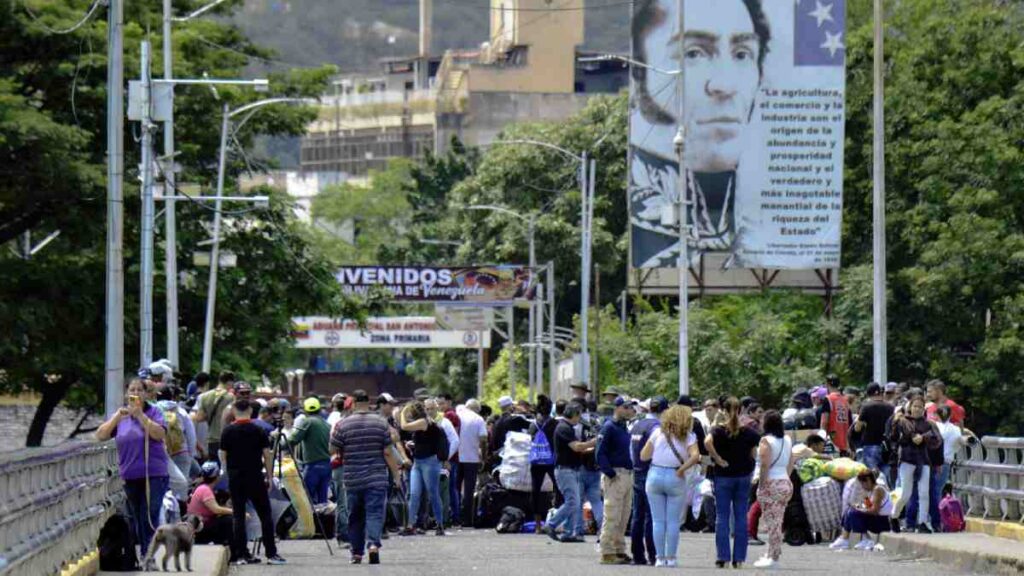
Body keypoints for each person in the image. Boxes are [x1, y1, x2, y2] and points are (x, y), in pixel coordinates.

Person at [629, 0, 771, 265]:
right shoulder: (642, 212)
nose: (724, 85)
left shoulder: (777, 221)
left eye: (742, 54)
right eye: (693, 54)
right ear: (640, 73)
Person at [96, 378, 169, 559]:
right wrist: (117, 417)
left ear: (145, 394)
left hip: (153, 473)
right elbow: (101, 435)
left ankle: (147, 553)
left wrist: (141, 417)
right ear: (127, 393)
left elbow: (159, 434)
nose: (135, 393)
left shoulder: (154, 412)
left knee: (149, 514)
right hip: (130, 474)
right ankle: (141, 552)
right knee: (135, 516)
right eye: (132, 390)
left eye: (139, 390)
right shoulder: (122, 416)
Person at [330, 390, 401, 565]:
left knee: (355, 516)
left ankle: (356, 553)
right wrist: (396, 475)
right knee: (375, 513)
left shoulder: (343, 424)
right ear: (369, 403)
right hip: (376, 477)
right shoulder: (380, 423)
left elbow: (331, 450)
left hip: (352, 478)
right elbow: (387, 452)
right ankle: (373, 546)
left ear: (353, 403)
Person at [218, 398, 285, 566]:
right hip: (255, 475)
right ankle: (271, 553)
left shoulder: (227, 431)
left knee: (238, 516)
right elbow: (267, 455)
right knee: (265, 514)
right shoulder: (259, 430)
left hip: (235, 477)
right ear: (249, 411)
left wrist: (227, 471)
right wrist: (269, 477)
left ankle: (241, 554)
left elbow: (223, 455)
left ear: (234, 411)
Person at [640, 405, 700, 567]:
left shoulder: (657, 433)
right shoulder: (689, 436)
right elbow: (696, 457)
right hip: (676, 476)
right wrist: (682, 468)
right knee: (673, 521)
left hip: (655, 475)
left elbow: (644, 456)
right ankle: (671, 558)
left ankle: (659, 558)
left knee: (658, 520)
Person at [705, 396, 761, 569]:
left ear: (723, 410)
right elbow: (754, 454)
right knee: (740, 517)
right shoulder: (750, 432)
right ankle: (739, 558)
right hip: (743, 476)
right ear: (741, 411)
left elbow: (707, 442)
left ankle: (723, 557)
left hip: (723, 476)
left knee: (722, 517)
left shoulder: (718, 430)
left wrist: (718, 458)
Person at [546, 403, 595, 543]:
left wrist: (590, 448)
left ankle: (568, 532)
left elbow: (577, 449)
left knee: (575, 501)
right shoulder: (564, 428)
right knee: (573, 501)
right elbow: (577, 446)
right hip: (565, 470)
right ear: (574, 415)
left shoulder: (567, 428)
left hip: (571, 469)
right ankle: (551, 524)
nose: (580, 419)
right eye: (579, 415)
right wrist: (594, 442)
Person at [890, 395, 940, 533]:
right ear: (910, 407)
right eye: (915, 406)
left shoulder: (929, 424)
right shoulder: (902, 421)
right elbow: (893, 437)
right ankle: (894, 516)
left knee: (924, 493)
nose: (917, 409)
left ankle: (922, 522)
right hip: (907, 459)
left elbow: (936, 440)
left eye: (920, 407)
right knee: (905, 493)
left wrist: (923, 438)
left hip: (923, 460)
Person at [595, 397, 636, 565]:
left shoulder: (623, 427)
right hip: (615, 475)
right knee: (612, 515)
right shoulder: (608, 427)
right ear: (617, 408)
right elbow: (600, 453)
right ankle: (606, 551)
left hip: (627, 474)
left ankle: (619, 549)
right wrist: (610, 473)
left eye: (630, 408)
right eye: (626, 407)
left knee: (624, 516)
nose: (629, 411)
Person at [400, 400, 448, 536]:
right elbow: (424, 440)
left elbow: (404, 426)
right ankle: (410, 525)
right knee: (414, 494)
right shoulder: (424, 423)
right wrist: (413, 445)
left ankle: (440, 523)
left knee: (433, 493)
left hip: (430, 462)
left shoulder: (424, 422)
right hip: (418, 461)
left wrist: (403, 411)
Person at [752, 411, 793, 569]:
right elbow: (791, 461)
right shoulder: (788, 439)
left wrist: (761, 485)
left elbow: (764, 465)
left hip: (771, 482)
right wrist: (786, 478)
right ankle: (772, 553)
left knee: (772, 522)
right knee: (777, 520)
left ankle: (773, 557)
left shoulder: (765, 441)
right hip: (785, 481)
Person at [629, 396, 667, 565]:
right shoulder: (656, 427)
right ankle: (653, 554)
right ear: (664, 411)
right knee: (652, 516)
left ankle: (637, 554)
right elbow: (656, 451)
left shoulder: (637, 425)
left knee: (637, 514)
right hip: (650, 472)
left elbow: (631, 451)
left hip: (637, 471)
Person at [285, 396, 332, 505]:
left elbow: (293, 439)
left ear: (305, 410)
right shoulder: (326, 424)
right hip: (327, 465)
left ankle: (310, 521)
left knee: (306, 498)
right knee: (322, 500)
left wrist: (279, 442)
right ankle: (322, 520)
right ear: (319, 409)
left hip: (313, 465)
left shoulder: (307, 422)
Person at [830, 469, 893, 550]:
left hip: (882, 522)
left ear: (869, 481)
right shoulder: (870, 491)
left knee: (853, 512)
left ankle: (866, 539)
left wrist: (858, 508)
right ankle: (845, 538)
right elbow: (869, 507)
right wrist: (863, 500)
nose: (862, 485)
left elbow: (874, 511)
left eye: (863, 482)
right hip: (876, 520)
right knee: (849, 510)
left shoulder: (878, 489)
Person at [155, 382, 198, 485]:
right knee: (181, 485)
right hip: (180, 451)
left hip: (160, 454)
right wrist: (190, 454)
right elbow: (191, 434)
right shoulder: (180, 411)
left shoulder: (154, 410)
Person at [528, 395, 559, 532]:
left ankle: (538, 525)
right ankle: (556, 520)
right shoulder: (554, 423)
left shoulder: (533, 424)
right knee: (558, 489)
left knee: (536, 491)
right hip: (551, 460)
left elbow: (530, 439)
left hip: (536, 461)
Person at [457, 398, 489, 527]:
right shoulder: (478, 419)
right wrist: (484, 456)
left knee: (455, 488)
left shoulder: (457, 415)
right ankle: (467, 520)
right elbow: (483, 439)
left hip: (455, 458)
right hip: (472, 458)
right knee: (469, 490)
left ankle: (454, 516)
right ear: (477, 409)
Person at [192, 372, 235, 462]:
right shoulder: (231, 398)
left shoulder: (203, 396)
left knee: (213, 467)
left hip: (211, 438)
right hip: (225, 438)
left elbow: (199, 418)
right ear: (230, 382)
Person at [854, 383, 894, 475]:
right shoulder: (891, 407)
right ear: (880, 392)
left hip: (870, 445)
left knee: (872, 475)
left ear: (868, 394)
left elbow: (857, 428)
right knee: (887, 473)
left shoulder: (866, 407)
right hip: (887, 446)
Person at [189, 462, 233, 545]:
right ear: (216, 477)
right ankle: (232, 551)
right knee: (229, 520)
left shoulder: (203, 487)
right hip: (199, 528)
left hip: (199, 525)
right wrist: (236, 512)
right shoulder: (205, 490)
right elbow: (216, 509)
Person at [490, 396, 530, 464]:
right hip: (513, 459)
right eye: (512, 405)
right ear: (510, 406)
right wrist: (524, 412)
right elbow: (534, 426)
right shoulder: (515, 419)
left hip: (500, 458)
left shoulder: (496, 423)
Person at [819, 375, 852, 456]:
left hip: (832, 444)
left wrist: (822, 440)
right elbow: (850, 423)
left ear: (827, 384)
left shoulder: (828, 399)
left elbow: (824, 422)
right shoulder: (845, 401)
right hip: (845, 444)